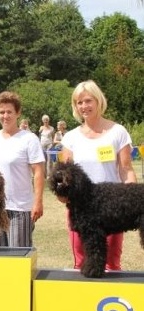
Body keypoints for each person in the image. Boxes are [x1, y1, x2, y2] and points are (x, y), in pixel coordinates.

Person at [60, 79, 137, 271]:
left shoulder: (118, 132)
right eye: (79, 102)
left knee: (111, 263)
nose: (84, 106)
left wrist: (132, 201)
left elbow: (126, 169)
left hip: (113, 207)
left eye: (88, 100)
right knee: (82, 262)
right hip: (81, 209)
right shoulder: (70, 137)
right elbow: (64, 176)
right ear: (75, 106)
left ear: (98, 101)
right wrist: (64, 198)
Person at [0, 91, 45, 247]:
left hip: (20, 208)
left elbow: (38, 172)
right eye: (2, 112)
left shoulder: (29, 139)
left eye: (9, 112)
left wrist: (38, 202)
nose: (5, 116)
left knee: (18, 257)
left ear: (18, 113)